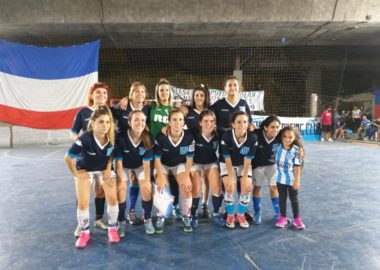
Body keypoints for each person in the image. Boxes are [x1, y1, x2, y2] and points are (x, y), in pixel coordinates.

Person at [64, 105, 120, 248]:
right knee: (83, 202)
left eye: (107, 122)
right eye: (101, 122)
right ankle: (84, 233)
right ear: (93, 122)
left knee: (113, 198)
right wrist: (76, 173)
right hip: (85, 170)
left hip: (103, 169)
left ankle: (113, 228)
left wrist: (108, 168)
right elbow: (68, 158)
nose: (105, 125)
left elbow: (111, 153)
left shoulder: (112, 135)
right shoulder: (85, 138)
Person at [70, 82, 111, 236]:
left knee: (100, 190)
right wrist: (80, 142)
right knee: (83, 192)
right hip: (85, 161)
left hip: (102, 159)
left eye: (104, 93)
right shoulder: (83, 112)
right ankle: (82, 224)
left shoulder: (110, 112)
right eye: (98, 92)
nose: (101, 95)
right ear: (92, 95)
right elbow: (73, 133)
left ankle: (99, 219)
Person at [113, 82, 151, 225]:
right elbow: (108, 113)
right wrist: (121, 101)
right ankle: (120, 217)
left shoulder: (148, 109)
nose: (140, 94)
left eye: (142, 91)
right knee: (121, 185)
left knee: (139, 181)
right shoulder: (123, 106)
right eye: (136, 91)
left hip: (141, 148)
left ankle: (134, 211)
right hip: (122, 148)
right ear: (130, 94)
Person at [154, 109, 195, 233]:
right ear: (169, 122)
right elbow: (156, 159)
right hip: (163, 164)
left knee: (187, 187)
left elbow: (189, 158)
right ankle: (160, 216)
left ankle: (186, 216)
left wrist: (187, 175)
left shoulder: (188, 137)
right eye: (174, 120)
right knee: (162, 187)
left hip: (180, 164)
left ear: (184, 122)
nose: (178, 123)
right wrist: (160, 176)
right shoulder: (161, 137)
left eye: (180, 120)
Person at [115, 110, 155, 236]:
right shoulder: (120, 137)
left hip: (140, 165)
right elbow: (119, 163)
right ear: (129, 122)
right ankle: (121, 221)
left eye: (142, 120)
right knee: (121, 188)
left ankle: (147, 219)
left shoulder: (148, 137)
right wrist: (121, 180)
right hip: (124, 166)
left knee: (146, 188)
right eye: (136, 120)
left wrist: (147, 181)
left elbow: (147, 164)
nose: (140, 123)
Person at [150, 79, 182, 220]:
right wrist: (126, 98)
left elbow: (180, 124)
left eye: (166, 90)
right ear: (157, 92)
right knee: (159, 180)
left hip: (172, 151)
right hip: (155, 150)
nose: (164, 92)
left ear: (170, 92)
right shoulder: (151, 106)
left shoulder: (173, 110)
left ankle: (175, 206)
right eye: (161, 90)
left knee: (174, 180)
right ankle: (161, 210)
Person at [220, 111, 257, 229]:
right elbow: (227, 158)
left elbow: (248, 159)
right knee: (229, 185)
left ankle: (241, 215)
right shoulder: (226, 136)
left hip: (243, 164)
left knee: (247, 186)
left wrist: (245, 177)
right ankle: (230, 215)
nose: (242, 125)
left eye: (245, 122)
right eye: (239, 122)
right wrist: (231, 176)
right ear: (233, 124)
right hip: (227, 163)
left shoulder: (252, 137)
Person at [190, 110, 225, 228]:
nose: (208, 124)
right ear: (200, 122)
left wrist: (251, 127)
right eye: (205, 121)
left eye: (211, 121)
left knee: (216, 185)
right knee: (196, 186)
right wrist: (167, 129)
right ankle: (193, 214)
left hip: (211, 162)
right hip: (195, 162)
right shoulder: (193, 133)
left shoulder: (219, 132)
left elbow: (235, 131)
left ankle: (215, 213)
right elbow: (178, 132)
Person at [185, 85, 212, 219]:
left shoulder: (210, 111)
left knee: (206, 179)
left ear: (205, 97)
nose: (199, 98)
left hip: (207, 151)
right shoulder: (188, 111)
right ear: (193, 97)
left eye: (202, 95)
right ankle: (190, 208)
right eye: (197, 95)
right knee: (195, 181)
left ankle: (205, 204)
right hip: (192, 153)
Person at [252, 115, 281, 224]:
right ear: (265, 127)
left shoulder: (280, 136)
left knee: (274, 188)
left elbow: (294, 140)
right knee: (257, 188)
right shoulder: (256, 134)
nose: (275, 130)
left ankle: (278, 213)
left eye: (277, 127)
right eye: (272, 127)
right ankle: (257, 212)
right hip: (257, 165)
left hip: (271, 165)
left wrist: (300, 150)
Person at [275, 126, 305, 230]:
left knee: (294, 200)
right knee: (282, 199)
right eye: (285, 137)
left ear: (294, 138)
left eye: (290, 137)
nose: (287, 139)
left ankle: (297, 219)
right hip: (280, 180)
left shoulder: (296, 150)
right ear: (281, 137)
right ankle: (283, 218)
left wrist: (297, 180)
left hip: (292, 181)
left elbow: (297, 167)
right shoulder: (277, 147)